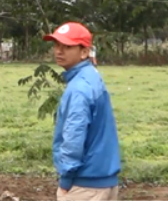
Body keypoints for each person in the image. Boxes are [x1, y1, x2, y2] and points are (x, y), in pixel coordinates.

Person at [45, 21, 121, 201]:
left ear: (84, 52)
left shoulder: (79, 88)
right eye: (56, 44)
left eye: (67, 46)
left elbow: (74, 138)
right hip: (104, 180)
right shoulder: (92, 76)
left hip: (85, 185)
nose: (59, 51)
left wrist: (66, 180)